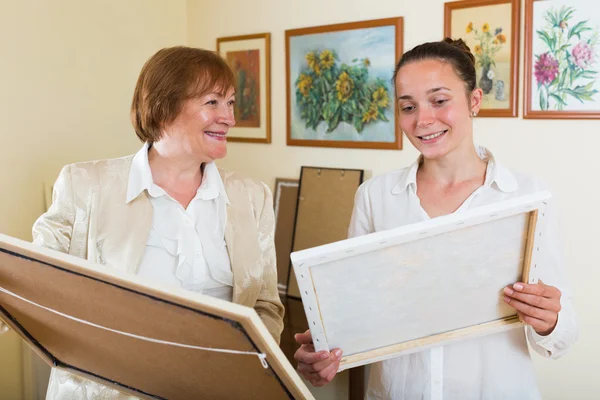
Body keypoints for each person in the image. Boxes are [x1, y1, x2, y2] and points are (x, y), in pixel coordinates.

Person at [294, 38, 578, 399]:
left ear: (474, 101)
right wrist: (323, 355)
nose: (423, 120)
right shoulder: (376, 197)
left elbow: (563, 333)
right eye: (407, 106)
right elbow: (358, 317)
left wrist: (550, 319)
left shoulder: (526, 196)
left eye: (439, 101)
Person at [32, 46, 284, 399]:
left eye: (230, 103)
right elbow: (32, 288)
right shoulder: (85, 185)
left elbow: (265, 307)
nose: (228, 117)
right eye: (212, 102)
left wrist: (255, 365)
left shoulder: (251, 196)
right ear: (163, 107)